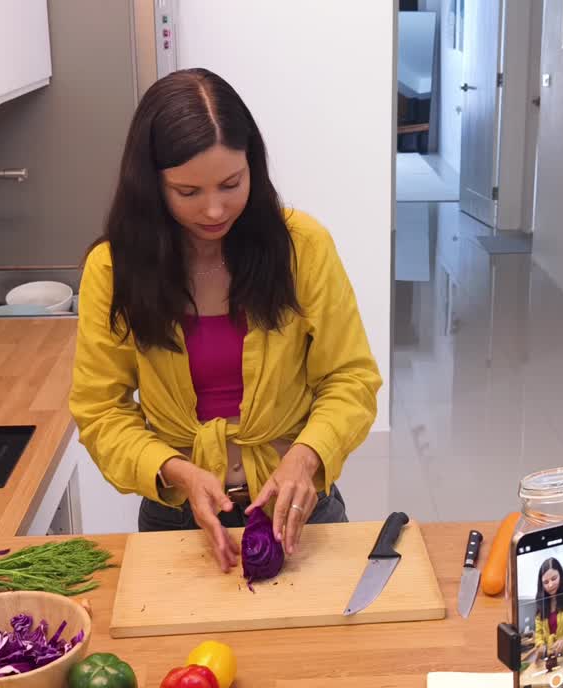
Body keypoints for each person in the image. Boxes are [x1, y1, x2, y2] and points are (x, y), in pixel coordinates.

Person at [69, 68, 382, 572]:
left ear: (252, 168)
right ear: (151, 186)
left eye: (231, 184)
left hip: (300, 508)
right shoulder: (114, 269)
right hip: (179, 518)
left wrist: (305, 458)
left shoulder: (302, 247)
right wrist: (178, 473)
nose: (214, 209)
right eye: (187, 192)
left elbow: (351, 378)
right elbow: (100, 410)